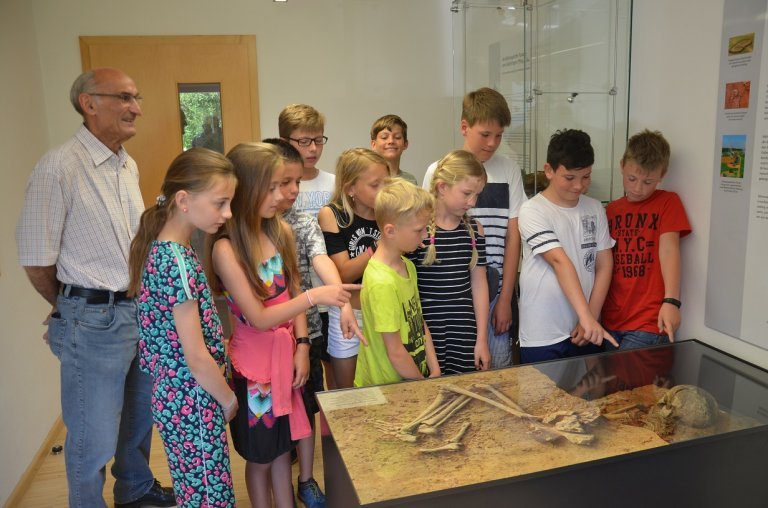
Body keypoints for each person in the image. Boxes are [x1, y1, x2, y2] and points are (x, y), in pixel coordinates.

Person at [16, 68, 175, 508]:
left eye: (137, 97)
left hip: (136, 311)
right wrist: (68, 307)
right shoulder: (59, 167)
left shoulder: (127, 165)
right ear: (89, 103)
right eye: (125, 98)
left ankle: (136, 491)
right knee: (93, 437)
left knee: (139, 420)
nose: (136, 108)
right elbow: (35, 257)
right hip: (93, 321)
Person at [209, 142, 357, 508]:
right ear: (246, 187)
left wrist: (303, 346)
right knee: (260, 458)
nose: (282, 196)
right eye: (272, 187)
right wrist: (315, 296)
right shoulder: (226, 249)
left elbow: (291, 291)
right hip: (254, 373)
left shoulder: (280, 233)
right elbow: (259, 318)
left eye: (283, 186)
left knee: (281, 452)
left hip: (286, 362)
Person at [127, 148, 238, 506]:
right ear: (183, 200)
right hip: (195, 401)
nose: (228, 213)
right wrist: (228, 398)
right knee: (210, 496)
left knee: (195, 491)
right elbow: (195, 356)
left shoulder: (165, 248)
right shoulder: (176, 261)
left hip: (175, 399)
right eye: (220, 203)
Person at [265, 137, 364, 508]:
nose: (293, 191)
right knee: (275, 423)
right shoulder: (245, 230)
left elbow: (322, 261)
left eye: (296, 183)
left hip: (307, 331)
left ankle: (307, 481)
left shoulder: (303, 222)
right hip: (266, 342)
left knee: (307, 406)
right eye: (283, 183)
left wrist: (341, 299)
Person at [422, 87, 527, 368]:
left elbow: (513, 236)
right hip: (446, 293)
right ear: (464, 127)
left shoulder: (509, 170)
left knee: (494, 367)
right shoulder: (438, 170)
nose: (492, 143)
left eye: (499, 135)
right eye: (485, 134)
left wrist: (506, 297)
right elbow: (424, 227)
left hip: (492, 292)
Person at [517, 129, 619, 363]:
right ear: (549, 170)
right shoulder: (533, 210)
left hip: (585, 329)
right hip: (543, 333)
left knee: (589, 399)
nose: (579, 186)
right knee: (543, 400)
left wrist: (590, 317)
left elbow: (604, 265)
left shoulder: (594, 208)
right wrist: (587, 317)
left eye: (586, 177)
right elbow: (559, 262)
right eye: (570, 178)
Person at [602, 130, 692, 349]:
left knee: (626, 380)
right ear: (622, 165)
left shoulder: (667, 202)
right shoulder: (611, 210)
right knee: (614, 383)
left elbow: (669, 251)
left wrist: (671, 301)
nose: (637, 188)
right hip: (611, 320)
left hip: (649, 321)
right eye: (631, 179)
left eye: (648, 182)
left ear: (662, 174)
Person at [411, 150, 491, 374]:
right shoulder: (418, 231)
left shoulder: (475, 230)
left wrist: (482, 339)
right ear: (442, 187)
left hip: (464, 334)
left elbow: (479, 284)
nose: (472, 202)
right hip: (426, 335)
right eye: (466, 193)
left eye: (477, 195)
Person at [355, 179, 441, 386]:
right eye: (419, 230)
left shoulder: (407, 266)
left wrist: (435, 368)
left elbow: (418, 322)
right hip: (386, 387)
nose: (426, 235)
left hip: (411, 380)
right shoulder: (381, 282)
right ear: (390, 231)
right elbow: (394, 352)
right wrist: (423, 383)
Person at [318, 148, 389, 388]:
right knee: (347, 394)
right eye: (374, 185)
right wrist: (378, 247)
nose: (383, 191)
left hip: (383, 310)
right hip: (349, 313)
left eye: (386, 183)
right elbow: (342, 274)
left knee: (382, 386)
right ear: (350, 189)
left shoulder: (388, 214)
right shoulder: (332, 214)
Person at [279, 104, 338, 391]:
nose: (313, 148)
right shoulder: (279, 189)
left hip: (328, 289)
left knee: (332, 368)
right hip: (295, 296)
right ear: (284, 142)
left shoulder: (334, 183)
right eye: (304, 141)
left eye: (318, 140)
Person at [370, 114, 417, 185]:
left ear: (405, 144)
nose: (391, 141)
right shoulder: (368, 179)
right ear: (373, 144)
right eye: (384, 137)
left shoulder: (411, 181)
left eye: (397, 137)